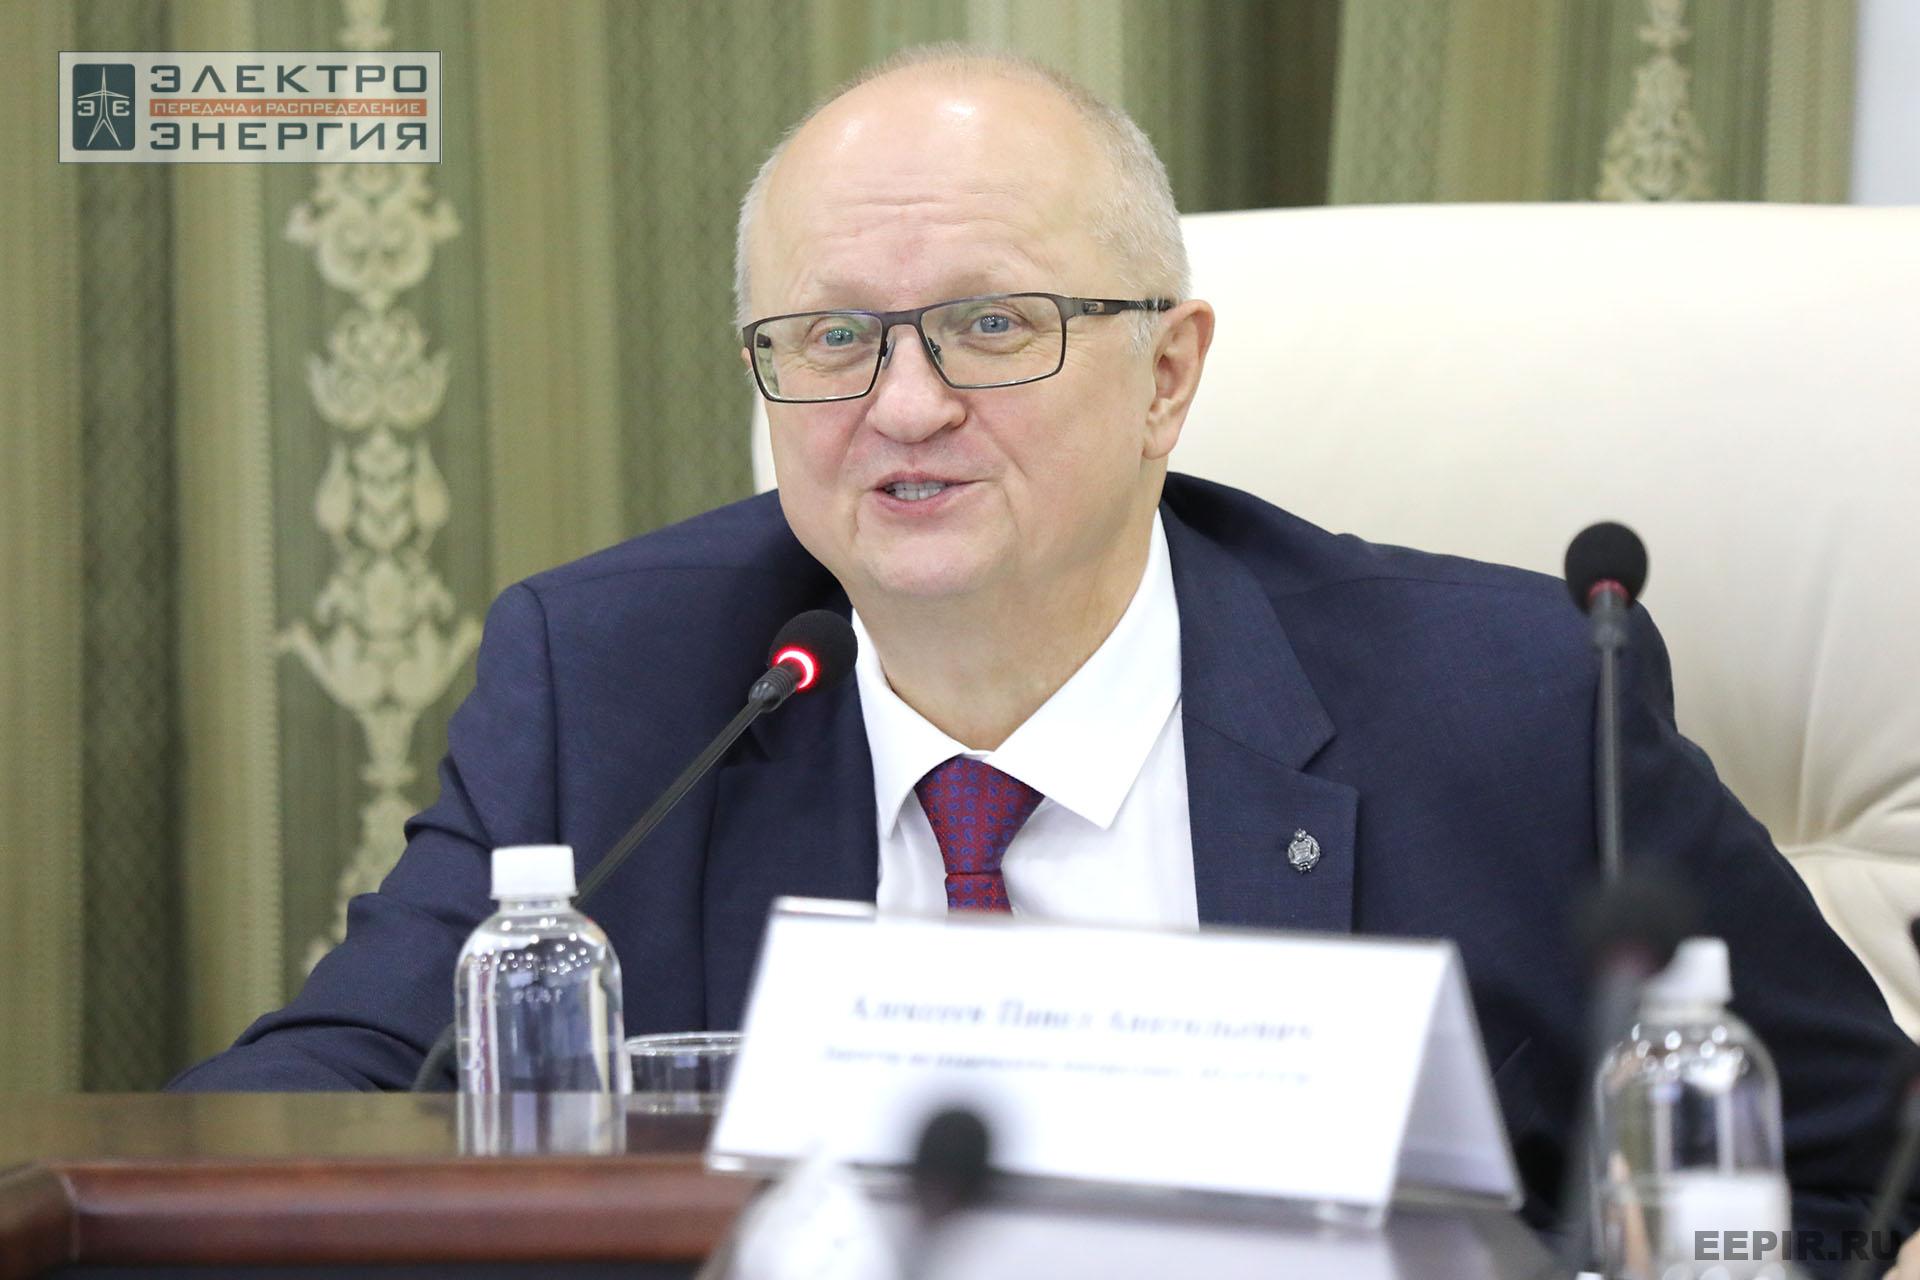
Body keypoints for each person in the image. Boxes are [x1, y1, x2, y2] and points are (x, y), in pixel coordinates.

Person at [174, 44, 1917, 1268]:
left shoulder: (1507, 705)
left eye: (991, 325)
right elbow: (306, 1115)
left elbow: (1867, 1162)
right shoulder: (620, 684)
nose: (902, 405)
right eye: (831, 338)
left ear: (1169, 376)